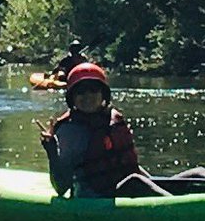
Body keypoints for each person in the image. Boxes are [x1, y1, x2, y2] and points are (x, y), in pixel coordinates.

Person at [40, 63, 145, 198]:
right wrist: (52, 152)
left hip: (123, 190)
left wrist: (151, 180)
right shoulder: (69, 131)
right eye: (80, 91)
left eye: (93, 89)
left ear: (103, 94)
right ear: (72, 98)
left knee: (180, 179)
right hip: (91, 197)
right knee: (135, 182)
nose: (88, 96)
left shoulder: (112, 119)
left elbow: (131, 168)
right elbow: (61, 188)